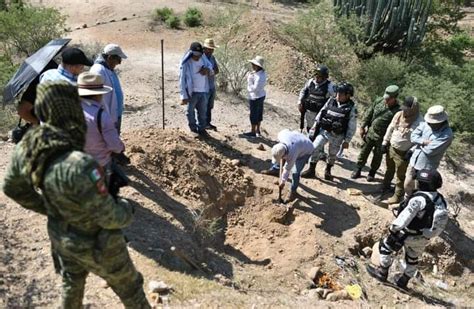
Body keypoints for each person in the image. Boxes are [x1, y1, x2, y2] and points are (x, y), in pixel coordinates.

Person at [2, 81, 150, 308]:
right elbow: (107, 215)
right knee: (130, 289)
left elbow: (11, 187)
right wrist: (127, 210)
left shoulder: (28, 146)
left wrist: (48, 206)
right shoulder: (80, 163)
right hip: (98, 242)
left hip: (61, 236)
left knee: (71, 282)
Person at [366, 169, 448, 290]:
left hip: (406, 233)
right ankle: (403, 281)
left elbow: (405, 218)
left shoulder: (418, 199)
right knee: (412, 258)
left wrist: (393, 228)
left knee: (385, 247)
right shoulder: (440, 200)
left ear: (422, 183)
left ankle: (382, 272)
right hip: (423, 236)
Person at [301, 82, 357, 180]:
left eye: (341, 93)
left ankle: (328, 170)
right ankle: (311, 169)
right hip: (324, 132)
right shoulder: (331, 101)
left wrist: (347, 140)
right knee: (315, 147)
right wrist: (315, 126)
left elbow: (352, 126)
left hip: (337, 136)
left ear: (348, 95)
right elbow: (322, 112)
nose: (338, 95)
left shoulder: (351, 108)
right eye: (337, 93)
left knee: (332, 154)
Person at [352, 85, 401, 181]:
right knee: (364, 152)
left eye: (389, 99)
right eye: (386, 98)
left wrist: (388, 141)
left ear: (395, 98)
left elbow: (395, 128)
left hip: (382, 138)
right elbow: (369, 113)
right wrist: (362, 127)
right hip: (371, 133)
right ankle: (358, 169)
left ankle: (372, 173)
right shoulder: (379, 101)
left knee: (378, 156)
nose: (386, 101)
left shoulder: (398, 111)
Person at [404, 105, 453, 197]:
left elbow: (430, 151)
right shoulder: (425, 124)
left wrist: (419, 143)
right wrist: (423, 142)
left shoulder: (447, 134)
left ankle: (414, 207)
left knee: (420, 191)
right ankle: (405, 203)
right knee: (407, 185)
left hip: (427, 168)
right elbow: (413, 136)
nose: (430, 123)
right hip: (414, 162)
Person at [78, 72, 125, 169]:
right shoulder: (101, 116)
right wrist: (121, 148)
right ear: (97, 95)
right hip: (98, 164)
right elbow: (114, 145)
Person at [381, 96, 423, 204]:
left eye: (407, 109)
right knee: (389, 169)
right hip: (392, 148)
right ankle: (385, 186)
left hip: (403, 153)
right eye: (404, 108)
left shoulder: (420, 122)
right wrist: (385, 142)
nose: (404, 110)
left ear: (413, 109)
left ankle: (397, 195)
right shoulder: (399, 114)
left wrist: (411, 151)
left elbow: (420, 140)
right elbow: (390, 128)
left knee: (400, 176)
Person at [263, 129, 314, 201]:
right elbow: (287, 130)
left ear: (285, 154)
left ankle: (293, 191)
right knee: (280, 158)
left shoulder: (293, 153)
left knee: (295, 172)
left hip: (306, 149)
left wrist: (283, 182)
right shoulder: (281, 135)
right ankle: (276, 170)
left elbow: (287, 169)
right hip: (296, 142)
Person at [90, 43, 128, 133]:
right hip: (106, 118)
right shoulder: (98, 70)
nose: (120, 63)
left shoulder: (108, 69)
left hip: (114, 115)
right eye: (118, 60)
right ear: (110, 57)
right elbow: (94, 97)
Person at [179, 41, 214, 137]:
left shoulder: (203, 58)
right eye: (195, 55)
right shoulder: (186, 62)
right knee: (190, 111)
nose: (197, 57)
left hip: (203, 90)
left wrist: (207, 70)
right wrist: (183, 96)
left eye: (199, 55)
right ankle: (193, 128)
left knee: (203, 112)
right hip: (192, 91)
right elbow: (182, 79)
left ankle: (202, 129)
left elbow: (210, 67)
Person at [297, 65, 335, 133]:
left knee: (316, 131)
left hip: (319, 114)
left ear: (324, 77)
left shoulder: (330, 86)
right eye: (316, 74)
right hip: (308, 111)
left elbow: (335, 98)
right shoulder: (311, 82)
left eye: (319, 76)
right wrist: (299, 102)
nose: (316, 77)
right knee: (309, 128)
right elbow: (303, 91)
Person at [243, 56, 267, 138]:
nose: (252, 66)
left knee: (253, 114)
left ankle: (253, 131)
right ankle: (258, 130)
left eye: (253, 64)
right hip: (261, 96)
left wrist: (249, 81)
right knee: (259, 113)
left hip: (255, 97)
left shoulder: (258, 76)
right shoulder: (262, 74)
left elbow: (254, 89)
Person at [203, 38, 220, 131]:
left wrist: (210, 72)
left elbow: (217, 70)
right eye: (209, 49)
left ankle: (208, 123)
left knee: (209, 105)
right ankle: (203, 123)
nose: (211, 51)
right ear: (205, 49)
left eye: (212, 49)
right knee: (203, 105)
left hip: (211, 85)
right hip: (204, 86)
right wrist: (209, 71)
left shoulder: (212, 58)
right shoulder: (201, 58)